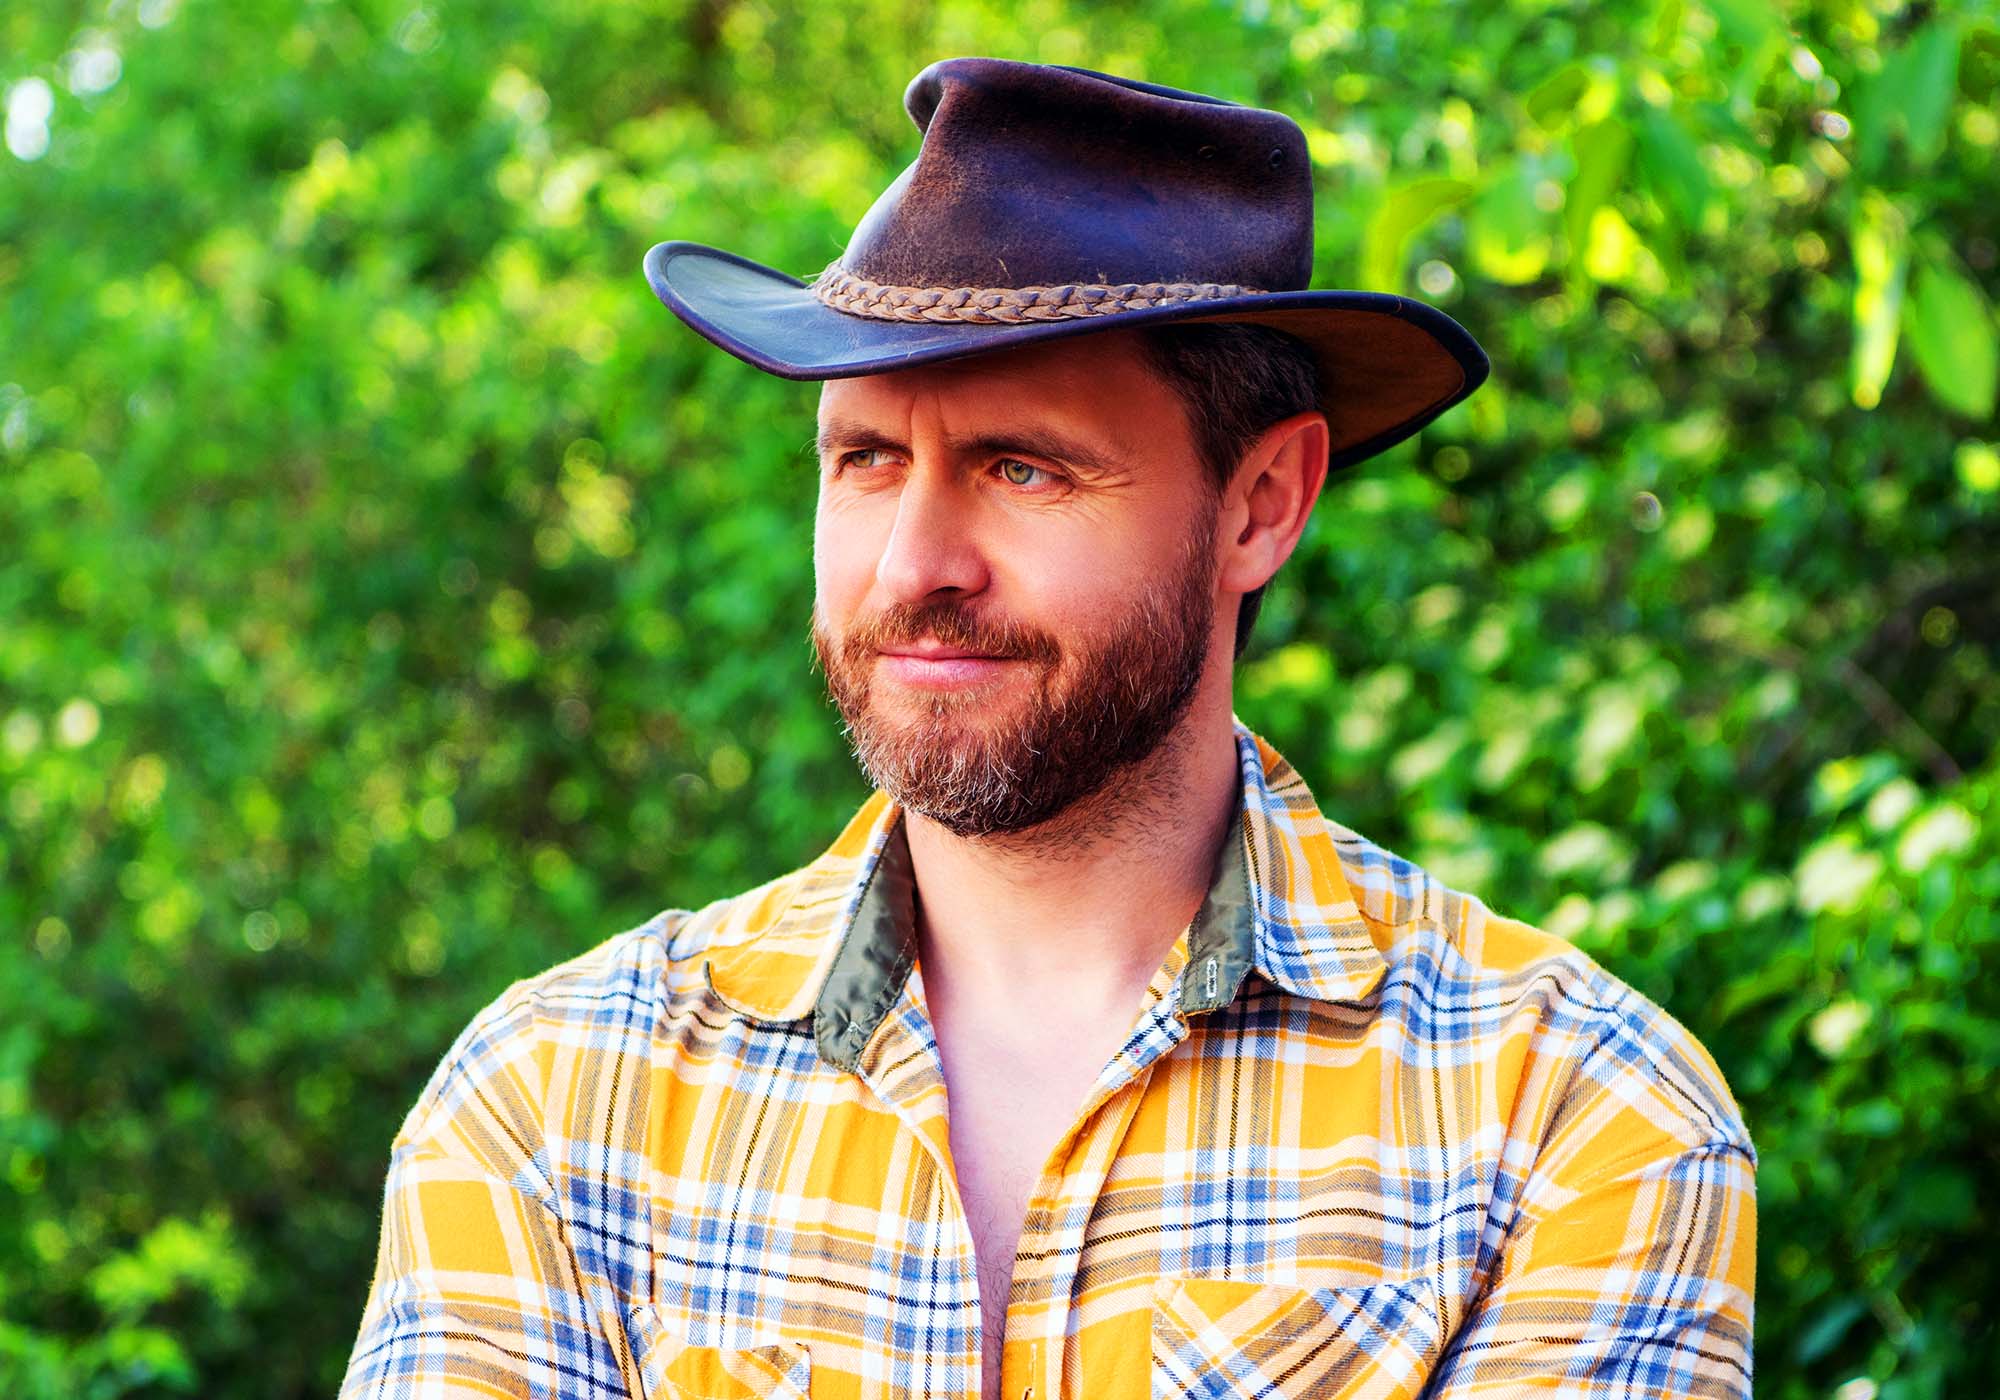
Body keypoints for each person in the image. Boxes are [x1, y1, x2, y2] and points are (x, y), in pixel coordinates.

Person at [341, 58, 1755, 1400]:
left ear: (1261, 504)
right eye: (866, 460)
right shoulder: (561, 1101)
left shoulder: (1566, 1118)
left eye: (1021, 469)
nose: (914, 566)